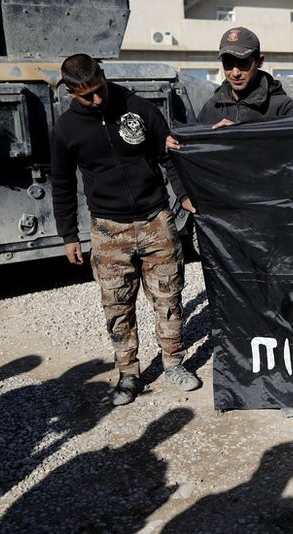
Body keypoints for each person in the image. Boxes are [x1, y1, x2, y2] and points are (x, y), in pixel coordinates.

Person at [51, 53, 199, 407]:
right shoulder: (65, 130)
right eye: (87, 95)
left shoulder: (140, 108)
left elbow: (168, 155)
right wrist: (69, 235)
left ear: (103, 76)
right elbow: (61, 183)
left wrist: (186, 195)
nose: (97, 99)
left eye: (99, 89)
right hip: (107, 229)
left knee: (168, 296)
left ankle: (174, 363)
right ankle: (129, 374)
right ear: (71, 92)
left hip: (155, 220)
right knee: (117, 306)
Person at [167, 27, 293, 416]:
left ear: (259, 61)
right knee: (236, 301)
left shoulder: (282, 106)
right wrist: (184, 189)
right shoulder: (212, 107)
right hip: (229, 227)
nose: (235, 71)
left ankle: (288, 384)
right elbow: (191, 154)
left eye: (243, 62)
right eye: (228, 62)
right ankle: (248, 377)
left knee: (279, 301)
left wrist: (242, 134)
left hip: (271, 223)